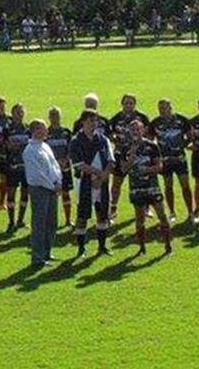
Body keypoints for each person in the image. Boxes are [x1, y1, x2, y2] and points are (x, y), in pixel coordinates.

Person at [122, 119, 172, 254]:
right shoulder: (125, 148)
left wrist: (147, 170)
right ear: (129, 131)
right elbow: (123, 169)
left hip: (152, 187)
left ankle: (168, 245)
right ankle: (142, 247)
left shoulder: (152, 146)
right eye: (133, 130)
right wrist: (131, 156)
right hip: (136, 188)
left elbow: (160, 166)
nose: (136, 132)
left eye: (138, 129)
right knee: (140, 219)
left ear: (143, 130)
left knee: (162, 215)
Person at [69, 110, 115, 256]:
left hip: (101, 182)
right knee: (82, 216)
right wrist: (98, 174)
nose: (93, 124)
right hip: (84, 183)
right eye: (90, 121)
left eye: (95, 121)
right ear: (83, 122)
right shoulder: (76, 141)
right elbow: (78, 165)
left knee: (102, 214)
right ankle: (81, 248)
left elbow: (111, 161)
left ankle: (102, 247)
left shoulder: (103, 139)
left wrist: (101, 178)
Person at [22, 119, 63, 267]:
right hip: (40, 189)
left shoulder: (45, 146)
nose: (46, 131)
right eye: (43, 128)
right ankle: (37, 256)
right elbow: (37, 175)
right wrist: (52, 185)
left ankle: (47, 251)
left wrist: (58, 182)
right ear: (35, 130)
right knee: (39, 223)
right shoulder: (30, 150)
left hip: (51, 188)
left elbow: (55, 166)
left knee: (52, 222)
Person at [149, 99, 195, 224]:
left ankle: (190, 212)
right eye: (160, 108)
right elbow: (150, 140)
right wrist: (157, 153)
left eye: (165, 107)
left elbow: (191, 136)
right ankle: (172, 212)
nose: (162, 110)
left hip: (180, 159)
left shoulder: (182, 120)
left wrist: (183, 145)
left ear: (170, 107)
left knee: (185, 186)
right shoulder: (155, 123)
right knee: (168, 186)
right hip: (165, 160)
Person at [108, 94, 149, 220]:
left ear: (135, 104)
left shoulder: (142, 117)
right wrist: (116, 140)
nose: (129, 105)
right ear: (122, 104)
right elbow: (110, 134)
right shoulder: (116, 118)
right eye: (126, 103)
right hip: (121, 154)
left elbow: (148, 134)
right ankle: (113, 207)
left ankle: (146, 207)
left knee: (142, 182)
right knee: (117, 183)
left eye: (131, 103)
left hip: (139, 155)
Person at [2, 104, 31, 231]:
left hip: (26, 168)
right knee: (11, 195)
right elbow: (8, 146)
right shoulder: (7, 129)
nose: (19, 115)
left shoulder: (28, 128)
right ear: (12, 114)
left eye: (21, 112)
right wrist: (21, 147)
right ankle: (11, 221)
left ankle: (20, 220)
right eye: (17, 112)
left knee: (25, 194)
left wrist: (18, 146)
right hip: (12, 167)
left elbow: (30, 147)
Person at [44, 108, 74, 227]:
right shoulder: (46, 132)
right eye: (52, 115)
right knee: (52, 195)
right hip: (51, 169)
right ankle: (51, 221)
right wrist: (56, 162)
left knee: (66, 194)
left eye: (57, 115)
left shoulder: (66, 132)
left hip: (65, 167)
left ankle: (68, 219)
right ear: (49, 117)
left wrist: (65, 160)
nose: (55, 118)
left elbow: (71, 148)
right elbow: (44, 151)